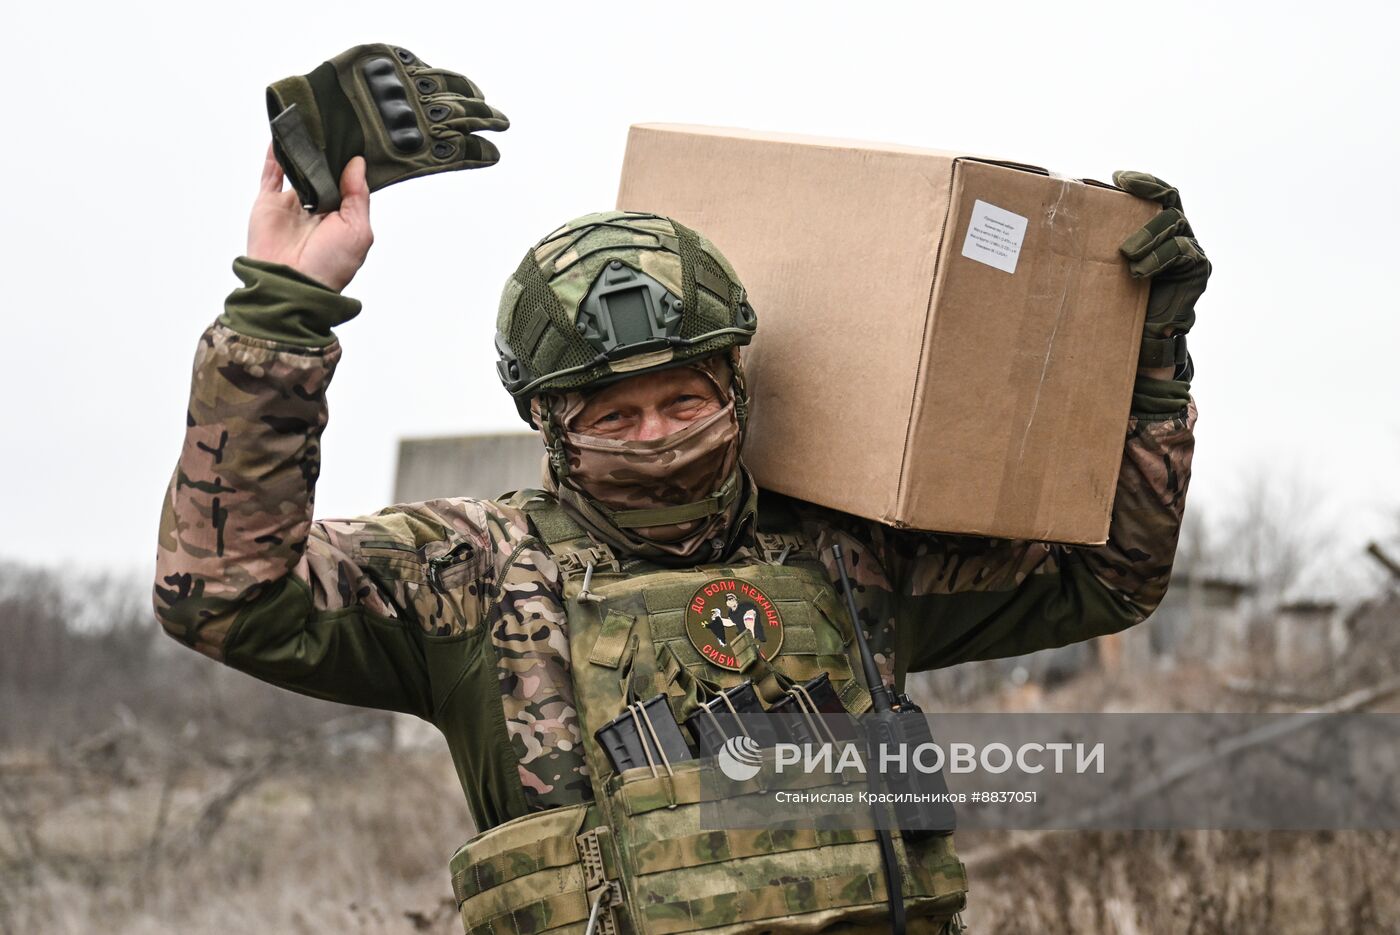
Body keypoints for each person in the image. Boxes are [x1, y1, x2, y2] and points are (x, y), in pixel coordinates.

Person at [154, 52, 1204, 935]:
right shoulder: (471, 576)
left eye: (683, 399)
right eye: (613, 416)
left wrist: (1143, 359)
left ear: (736, 389)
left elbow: (1105, 576)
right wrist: (286, 306)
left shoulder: (850, 555)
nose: (655, 438)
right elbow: (226, 592)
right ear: (549, 423)